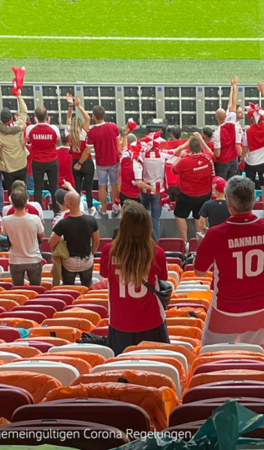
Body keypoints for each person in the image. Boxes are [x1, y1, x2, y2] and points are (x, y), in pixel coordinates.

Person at [194, 176, 264, 354]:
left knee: (211, 355)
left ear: (229, 203)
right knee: (256, 356)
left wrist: (204, 245)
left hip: (226, 309)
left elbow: (199, 272)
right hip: (260, 306)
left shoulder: (215, 234)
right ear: (254, 201)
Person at [100, 202, 170, 355]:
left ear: (123, 226)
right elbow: (163, 278)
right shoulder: (157, 252)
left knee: (122, 371)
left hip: (119, 323)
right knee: (154, 370)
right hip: (152, 322)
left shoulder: (108, 250)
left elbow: (105, 274)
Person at [50, 191, 99, 287]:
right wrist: (91, 254)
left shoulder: (62, 223)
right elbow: (96, 242)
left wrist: (56, 255)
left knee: (68, 287)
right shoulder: (91, 220)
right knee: (87, 287)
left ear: (68, 204)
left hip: (69, 262)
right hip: (87, 261)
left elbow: (52, 243)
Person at [171, 133, 215, 241]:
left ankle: (185, 242)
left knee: (179, 215)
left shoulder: (184, 161)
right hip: (205, 194)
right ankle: (200, 241)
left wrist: (181, 156)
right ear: (200, 147)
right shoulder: (208, 157)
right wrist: (201, 139)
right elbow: (209, 151)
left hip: (188, 195)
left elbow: (173, 169)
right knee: (198, 216)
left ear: (188, 149)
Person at [242, 82, 264, 217]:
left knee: (249, 188)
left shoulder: (248, 132)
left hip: (250, 163)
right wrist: (263, 91)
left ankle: (248, 210)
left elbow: (245, 148)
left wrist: (242, 158)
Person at [2, 189, 44, 287]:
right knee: (36, 290)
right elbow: (41, 235)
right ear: (26, 202)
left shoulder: (6, 220)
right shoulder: (35, 219)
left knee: (18, 291)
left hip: (15, 260)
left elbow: (4, 233)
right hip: (34, 259)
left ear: (12, 203)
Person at [86, 105, 121, 217]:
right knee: (114, 184)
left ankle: (104, 210)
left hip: (101, 163)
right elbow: (118, 144)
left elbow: (88, 149)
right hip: (114, 160)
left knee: (102, 186)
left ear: (94, 117)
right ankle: (115, 208)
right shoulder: (113, 127)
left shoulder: (92, 131)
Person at [26, 106, 60, 214]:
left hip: (37, 162)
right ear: (47, 116)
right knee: (54, 186)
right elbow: (57, 141)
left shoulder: (30, 129)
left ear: (35, 117)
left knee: (38, 187)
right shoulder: (54, 129)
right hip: (52, 161)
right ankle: (56, 210)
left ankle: (38, 211)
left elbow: (28, 139)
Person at [0, 93, 29, 193]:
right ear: (12, 118)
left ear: (1, 120)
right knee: (23, 191)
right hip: (21, 165)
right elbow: (24, 112)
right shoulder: (19, 126)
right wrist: (19, 96)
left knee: (11, 193)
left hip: (8, 169)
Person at [65, 94, 94, 210]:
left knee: (77, 188)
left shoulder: (68, 133)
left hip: (74, 162)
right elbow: (88, 118)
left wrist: (71, 105)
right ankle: (91, 208)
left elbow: (68, 117)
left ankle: (77, 209)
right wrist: (79, 106)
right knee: (88, 188)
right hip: (86, 162)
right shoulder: (83, 132)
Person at [212, 76, 243, 180]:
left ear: (216, 118)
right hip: (233, 160)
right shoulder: (232, 123)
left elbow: (217, 153)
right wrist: (234, 87)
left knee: (222, 185)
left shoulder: (217, 133)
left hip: (222, 163)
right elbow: (233, 104)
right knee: (232, 185)